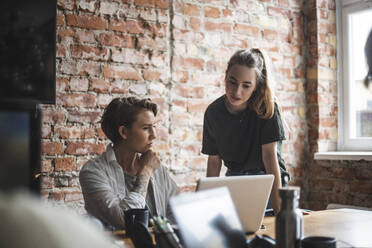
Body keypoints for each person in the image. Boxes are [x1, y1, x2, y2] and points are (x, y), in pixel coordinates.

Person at [201, 48, 290, 214]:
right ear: (225, 77)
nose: (237, 92)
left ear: (256, 87)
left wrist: (280, 211)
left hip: (269, 179)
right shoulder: (213, 112)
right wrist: (207, 205)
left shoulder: (267, 109)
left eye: (246, 86)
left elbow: (270, 158)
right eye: (232, 82)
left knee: (272, 230)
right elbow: (214, 162)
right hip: (236, 179)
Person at [79, 96, 178, 230]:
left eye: (154, 126)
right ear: (124, 132)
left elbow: (176, 213)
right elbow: (124, 220)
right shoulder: (93, 172)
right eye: (145, 128)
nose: (154, 135)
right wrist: (146, 171)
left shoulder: (157, 168)